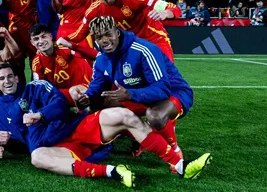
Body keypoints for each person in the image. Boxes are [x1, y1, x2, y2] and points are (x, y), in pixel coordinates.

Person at [0, 63, 210, 188]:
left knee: (123, 115)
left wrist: (40, 114)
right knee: (36, 158)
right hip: (58, 148)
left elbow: (60, 105)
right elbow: (21, 144)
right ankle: (112, 172)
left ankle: (180, 165)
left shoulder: (36, 86)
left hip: (76, 128)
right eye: (1, 79)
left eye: (10, 76)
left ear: (18, 78)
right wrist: (7, 143)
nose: (7, 81)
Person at [78, 16, 201, 163]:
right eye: (99, 37)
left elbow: (162, 89)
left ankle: (174, 148)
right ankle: (137, 136)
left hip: (173, 92)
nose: (104, 40)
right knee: (94, 107)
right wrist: (88, 97)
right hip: (135, 95)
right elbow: (96, 87)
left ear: (117, 32)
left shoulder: (143, 49)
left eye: (108, 34)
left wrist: (130, 94)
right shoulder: (101, 60)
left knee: (154, 116)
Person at [70, 0, 180, 61]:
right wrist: (60, 40)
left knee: (167, 78)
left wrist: (165, 13)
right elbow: (79, 35)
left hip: (154, 40)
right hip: (128, 47)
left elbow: (173, 8)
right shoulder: (93, 11)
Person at [29, 24, 92, 101]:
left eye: (43, 36)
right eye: (36, 39)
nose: (41, 41)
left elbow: (91, 55)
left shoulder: (64, 47)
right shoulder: (37, 63)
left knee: (73, 93)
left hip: (85, 85)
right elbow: (40, 89)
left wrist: (71, 46)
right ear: (32, 43)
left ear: (50, 36)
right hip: (64, 94)